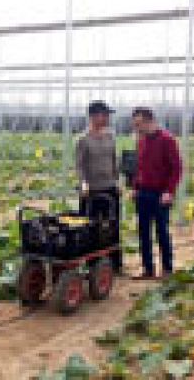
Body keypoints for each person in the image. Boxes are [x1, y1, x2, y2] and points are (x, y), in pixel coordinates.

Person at [130, 106, 182, 280]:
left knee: (162, 232)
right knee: (143, 232)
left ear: (149, 121)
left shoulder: (167, 139)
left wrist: (169, 191)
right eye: (135, 124)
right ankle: (148, 269)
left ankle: (167, 269)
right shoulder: (141, 140)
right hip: (143, 193)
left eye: (139, 124)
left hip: (160, 194)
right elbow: (140, 167)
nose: (137, 128)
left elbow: (177, 168)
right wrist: (135, 187)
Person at [75, 100, 123, 275]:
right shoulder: (83, 139)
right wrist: (83, 184)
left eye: (108, 115)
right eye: (105, 115)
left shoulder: (110, 135)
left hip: (110, 188)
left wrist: (117, 181)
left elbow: (114, 161)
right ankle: (92, 264)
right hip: (91, 191)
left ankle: (115, 264)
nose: (108, 118)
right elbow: (79, 165)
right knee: (90, 226)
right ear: (95, 117)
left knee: (113, 225)